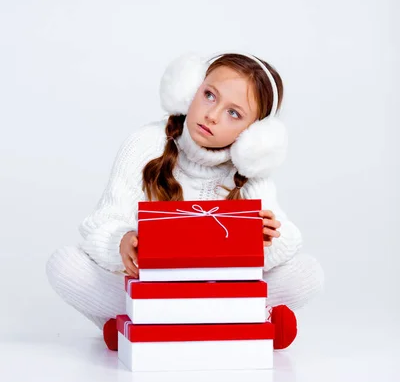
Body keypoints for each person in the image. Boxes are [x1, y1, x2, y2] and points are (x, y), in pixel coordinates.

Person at [46, 52, 324, 351]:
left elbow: (289, 241)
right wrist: (121, 242)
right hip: (153, 286)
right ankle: (243, 322)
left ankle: (139, 325)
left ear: (255, 135)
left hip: (217, 290)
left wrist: (265, 240)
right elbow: (100, 223)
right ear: (188, 89)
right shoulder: (146, 142)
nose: (212, 115)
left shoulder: (250, 170)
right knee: (64, 264)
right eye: (209, 95)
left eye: (234, 113)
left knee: (308, 273)